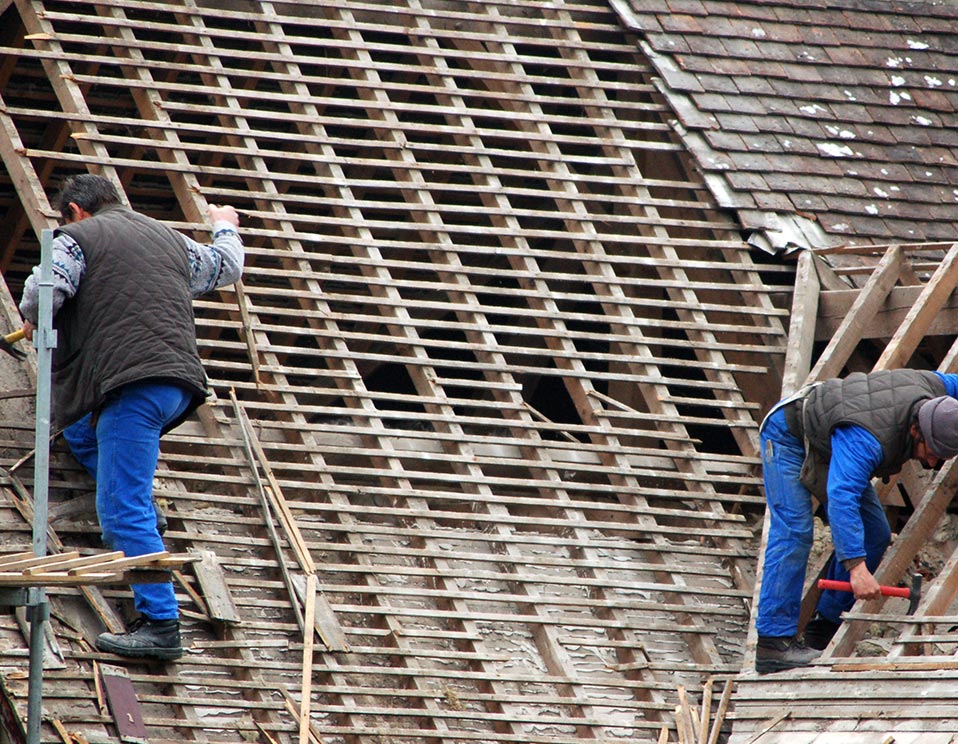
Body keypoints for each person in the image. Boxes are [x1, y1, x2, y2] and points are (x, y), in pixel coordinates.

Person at [19, 173, 244, 661]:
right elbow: (225, 267)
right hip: (173, 385)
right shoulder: (171, 239)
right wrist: (224, 225)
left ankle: (162, 627)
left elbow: (42, 297)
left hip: (131, 384)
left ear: (76, 211)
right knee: (80, 430)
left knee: (121, 510)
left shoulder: (76, 239)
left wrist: (35, 313)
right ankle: (143, 513)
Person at [755, 368, 958, 674]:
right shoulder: (868, 439)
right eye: (930, 453)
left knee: (875, 533)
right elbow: (841, 498)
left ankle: (823, 630)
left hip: (835, 434)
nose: (931, 463)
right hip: (789, 434)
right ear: (916, 430)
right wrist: (857, 569)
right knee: (794, 533)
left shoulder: (933, 387)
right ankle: (773, 643)